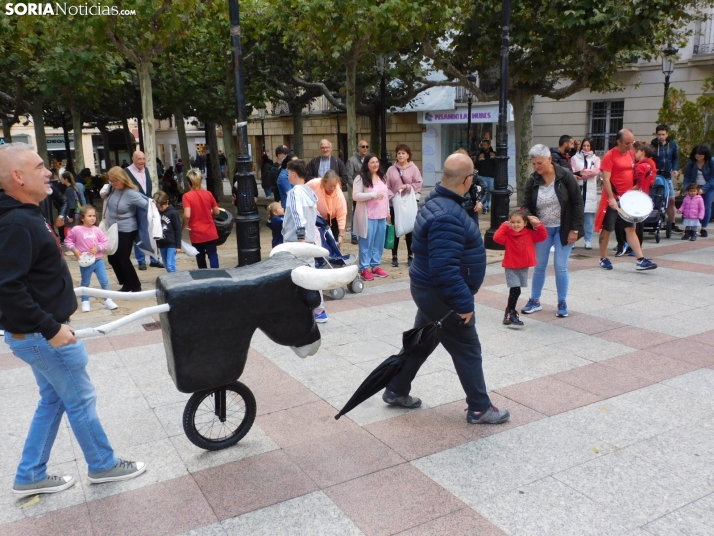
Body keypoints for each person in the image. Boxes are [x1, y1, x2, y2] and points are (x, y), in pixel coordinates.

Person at [0, 143, 146, 498]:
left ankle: (31, 472)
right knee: (80, 398)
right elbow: (7, 287)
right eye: (39, 167)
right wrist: (51, 328)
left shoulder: (24, 214)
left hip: (35, 332)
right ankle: (102, 464)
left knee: (53, 400)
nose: (48, 171)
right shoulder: (17, 221)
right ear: (17, 177)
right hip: (41, 334)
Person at [383, 151, 510, 425]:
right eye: (473, 177)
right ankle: (479, 407)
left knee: (422, 341)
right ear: (467, 180)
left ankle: (395, 389)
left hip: (429, 291)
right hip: (440, 294)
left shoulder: (437, 202)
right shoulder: (448, 215)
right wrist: (463, 304)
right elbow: (444, 268)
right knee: (467, 348)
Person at [520, 144, 584, 318]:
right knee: (539, 265)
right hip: (542, 229)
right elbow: (526, 205)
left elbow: (577, 202)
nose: (537, 167)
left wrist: (575, 230)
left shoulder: (565, 176)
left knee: (560, 265)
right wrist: (529, 216)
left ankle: (562, 302)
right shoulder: (533, 179)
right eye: (534, 164)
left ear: (549, 159)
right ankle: (535, 300)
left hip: (564, 228)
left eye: (539, 163)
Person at [595, 129, 658, 271]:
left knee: (630, 229)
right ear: (619, 142)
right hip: (613, 198)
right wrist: (611, 198)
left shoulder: (630, 153)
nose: (631, 146)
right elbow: (605, 179)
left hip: (627, 199)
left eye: (632, 143)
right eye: (627, 143)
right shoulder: (610, 156)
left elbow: (636, 170)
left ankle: (640, 259)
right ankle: (603, 258)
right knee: (607, 229)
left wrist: (637, 187)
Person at [282, 159, 327, 323]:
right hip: (308, 240)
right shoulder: (309, 192)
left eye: (288, 174)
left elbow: (297, 215)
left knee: (293, 276)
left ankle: (298, 309)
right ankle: (319, 309)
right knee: (310, 274)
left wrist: (300, 238)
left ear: (293, 174)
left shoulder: (294, 193)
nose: (287, 177)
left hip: (296, 242)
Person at [493, 210, 547, 326]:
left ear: (525, 223)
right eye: (513, 222)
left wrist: (538, 225)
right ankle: (512, 313)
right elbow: (496, 238)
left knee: (516, 290)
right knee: (516, 289)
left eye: (518, 222)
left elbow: (543, 236)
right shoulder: (508, 234)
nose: (515, 224)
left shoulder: (529, 233)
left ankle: (508, 314)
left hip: (523, 266)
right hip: (511, 265)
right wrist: (504, 226)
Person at [64, 206, 118, 312]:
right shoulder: (76, 230)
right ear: (82, 218)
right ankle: (85, 301)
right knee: (85, 282)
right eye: (89, 216)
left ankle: (108, 299)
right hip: (85, 261)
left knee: (104, 281)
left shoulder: (97, 230)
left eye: (94, 216)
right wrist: (74, 249)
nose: (92, 218)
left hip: (98, 260)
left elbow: (105, 241)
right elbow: (68, 241)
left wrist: (98, 248)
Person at [103, 166, 149, 292]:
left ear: (122, 179)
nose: (112, 183)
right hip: (114, 228)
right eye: (111, 180)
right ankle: (126, 282)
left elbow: (148, 205)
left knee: (123, 258)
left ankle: (135, 285)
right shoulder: (112, 189)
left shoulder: (131, 193)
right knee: (112, 258)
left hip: (128, 230)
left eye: (115, 180)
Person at [353, 153, 391, 281]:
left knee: (379, 243)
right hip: (368, 215)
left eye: (377, 162)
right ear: (367, 164)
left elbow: (386, 195)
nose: (375, 164)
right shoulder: (360, 178)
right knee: (366, 243)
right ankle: (364, 268)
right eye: (372, 162)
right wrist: (372, 195)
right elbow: (356, 195)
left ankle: (376, 266)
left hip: (381, 216)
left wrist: (387, 210)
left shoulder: (382, 177)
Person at [386, 143, 423, 267]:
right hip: (394, 204)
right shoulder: (391, 169)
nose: (400, 155)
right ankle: (394, 256)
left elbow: (418, 183)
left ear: (408, 155)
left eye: (403, 153)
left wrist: (407, 186)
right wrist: (393, 196)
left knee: (409, 230)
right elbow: (386, 186)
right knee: (395, 229)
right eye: (399, 153)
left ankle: (410, 255)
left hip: (408, 203)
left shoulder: (413, 168)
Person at [124, 150, 162, 270]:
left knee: (152, 230)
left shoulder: (146, 170)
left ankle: (154, 259)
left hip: (148, 205)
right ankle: (141, 260)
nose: (142, 161)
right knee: (138, 233)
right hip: (134, 207)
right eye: (139, 159)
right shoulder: (127, 172)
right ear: (133, 159)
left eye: (143, 159)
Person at [182, 169, 220, 269]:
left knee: (199, 255)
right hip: (210, 230)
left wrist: (184, 225)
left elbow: (187, 215)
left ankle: (203, 276)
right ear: (201, 181)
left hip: (196, 231)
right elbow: (217, 212)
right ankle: (216, 275)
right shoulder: (208, 194)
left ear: (188, 182)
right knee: (212, 254)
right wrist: (209, 212)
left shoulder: (187, 196)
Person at [651, 124, 682, 233]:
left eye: (663, 134)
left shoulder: (672, 145)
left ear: (667, 134)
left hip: (667, 176)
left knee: (671, 200)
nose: (661, 137)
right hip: (656, 176)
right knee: (655, 199)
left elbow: (675, 158)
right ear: (656, 134)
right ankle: (653, 221)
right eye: (659, 134)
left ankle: (672, 224)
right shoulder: (653, 145)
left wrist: (675, 169)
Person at [570, 138, 600, 249]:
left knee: (589, 220)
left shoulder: (595, 158)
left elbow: (596, 171)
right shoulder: (575, 158)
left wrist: (583, 173)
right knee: (576, 218)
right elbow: (573, 172)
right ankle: (574, 239)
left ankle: (588, 240)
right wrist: (582, 173)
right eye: (584, 145)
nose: (586, 148)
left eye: (588, 146)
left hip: (590, 191)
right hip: (578, 189)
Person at [306, 169, 348, 245]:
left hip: (333, 220)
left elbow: (342, 215)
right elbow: (302, 190)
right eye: (330, 186)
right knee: (318, 242)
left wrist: (341, 235)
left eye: (334, 186)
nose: (332, 188)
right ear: (324, 182)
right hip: (317, 218)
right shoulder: (314, 183)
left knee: (334, 243)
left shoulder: (339, 196)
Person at [683, 144, 714, 237]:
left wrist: (704, 189)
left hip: (708, 187)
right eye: (697, 156)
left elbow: (713, 177)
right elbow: (687, 176)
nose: (698, 158)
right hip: (694, 187)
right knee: (692, 206)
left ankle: (703, 228)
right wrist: (687, 188)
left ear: (705, 155)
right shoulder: (692, 162)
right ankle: (691, 227)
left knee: (706, 206)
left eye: (701, 156)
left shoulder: (711, 161)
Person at [347, 140, 370, 244]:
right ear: (358, 148)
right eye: (363, 146)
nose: (365, 148)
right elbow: (349, 177)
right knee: (356, 212)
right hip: (358, 192)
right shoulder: (352, 160)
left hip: (369, 191)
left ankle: (365, 232)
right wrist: (357, 188)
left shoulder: (369, 160)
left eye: (367, 146)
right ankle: (354, 234)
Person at [153, 191, 182, 272]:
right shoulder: (157, 213)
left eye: (161, 207)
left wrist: (178, 246)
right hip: (162, 243)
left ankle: (176, 281)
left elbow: (178, 229)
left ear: (167, 202)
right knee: (166, 265)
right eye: (158, 207)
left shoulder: (173, 213)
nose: (160, 209)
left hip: (171, 243)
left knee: (170, 265)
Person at [475, 139, 496, 214]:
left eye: (485, 145)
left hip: (491, 176)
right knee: (484, 191)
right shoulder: (480, 154)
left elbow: (497, 165)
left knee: (489, 191)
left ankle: (487, 204)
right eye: (482, 145)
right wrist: (479, 159)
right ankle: (485, 207)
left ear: (489, 145)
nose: (484, 146)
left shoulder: (493, 154)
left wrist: (495, 158)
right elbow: (476, 165)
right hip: (482, 175)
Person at [59, 170, 81, 241]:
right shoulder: (74, 188)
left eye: (62, 178)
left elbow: (72, 204)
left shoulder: (69, 190)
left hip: (72, 214)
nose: (61, 180)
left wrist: (70, 216)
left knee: (70, 233)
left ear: (66, 179)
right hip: (77, 212)